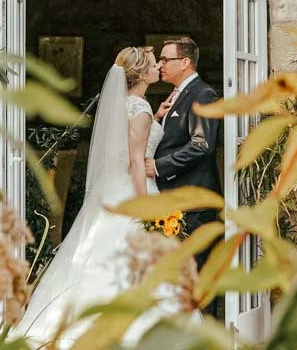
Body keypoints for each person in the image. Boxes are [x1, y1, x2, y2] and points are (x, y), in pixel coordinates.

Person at [15, 46, 172, 348]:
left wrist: (157, 118)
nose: (159, 68)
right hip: (135, 190)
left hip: (113, 193)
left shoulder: (128, 105)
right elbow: (135, 161)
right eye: (154, 65)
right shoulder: (140, 109)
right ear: (141, 74)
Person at [145, 37, 222, 276]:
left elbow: (201, 145)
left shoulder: (202, 94)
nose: (160, 64)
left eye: (166, 59)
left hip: (195, 204)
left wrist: (158, 166)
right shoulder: (177, 95)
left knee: (195, 276)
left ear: (185, 62)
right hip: (178, 200)